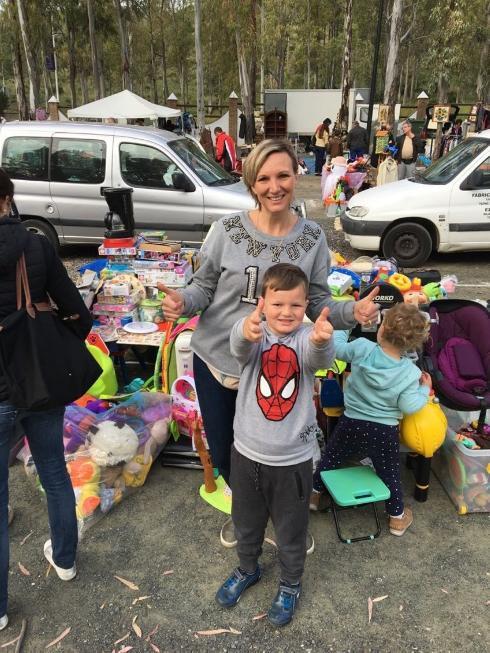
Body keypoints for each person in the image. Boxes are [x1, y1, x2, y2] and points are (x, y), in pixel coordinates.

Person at [160, 139, 379, 549]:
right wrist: (181, 301)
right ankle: (251, 526)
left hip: (278, 369)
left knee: (282, 459)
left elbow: (318, 301)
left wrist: (355, 313)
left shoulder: (312, 238)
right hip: (218, 363)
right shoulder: (225, 230)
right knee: (228, 457)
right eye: (263, 178)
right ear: (251, 184)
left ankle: (284, 529)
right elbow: (202, 287)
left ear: (296, 175)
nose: (274, 186)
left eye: (282, 175)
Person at [215, 264, 334, 626]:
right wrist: (245, 331)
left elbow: (319, 359)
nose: (286, 313)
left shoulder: (307, 337)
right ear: (263, 303)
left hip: (293, 460)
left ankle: (290, 583)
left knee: (290, 529)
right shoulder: (255, 334)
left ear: (306, 306)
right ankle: (247, 568)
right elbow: (238, 344)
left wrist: (322, 340)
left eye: (296, 306)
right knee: (245, 522)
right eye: (278, 304)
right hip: (247, 453)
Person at [0, 168, 93, 631]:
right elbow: (78, 309)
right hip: (37, 380)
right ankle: (66, 560)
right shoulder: (35, 244)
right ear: (8, 199)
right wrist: (60, 336)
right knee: (54, 471)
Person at [310, 303, 432, 536]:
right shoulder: (410, 372)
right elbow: (409, 405)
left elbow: (336, 348)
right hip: (384, 430)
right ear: (412, 343)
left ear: (381, 329)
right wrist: (424, 391)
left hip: (351, 421)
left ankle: (314, 495)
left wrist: (346, 324)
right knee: (389, 472)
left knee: (332, 457)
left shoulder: (362, 348)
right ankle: (396, 518)